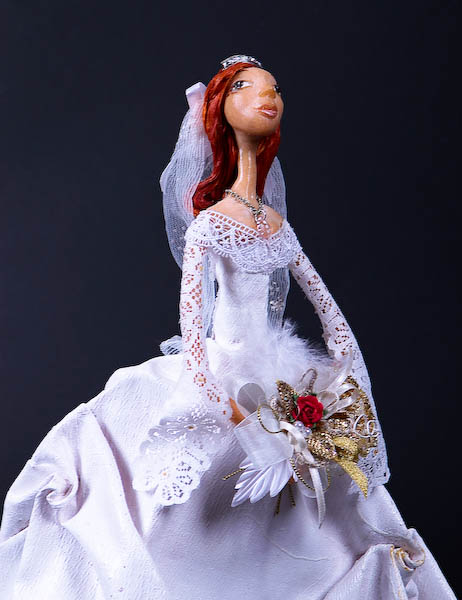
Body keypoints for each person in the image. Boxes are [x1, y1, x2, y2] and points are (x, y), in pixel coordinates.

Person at [0, 55, 456, 600]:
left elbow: (326, 307)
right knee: (175, 504)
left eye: (275, 88)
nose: (269, 96)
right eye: (247, 87)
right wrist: (225, 404)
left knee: (322, 504)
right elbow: (193, 329)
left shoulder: (277, 227)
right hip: (226, 373)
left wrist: (345, 371)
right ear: (220, 110)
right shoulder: (210, 225)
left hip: (282, 375)